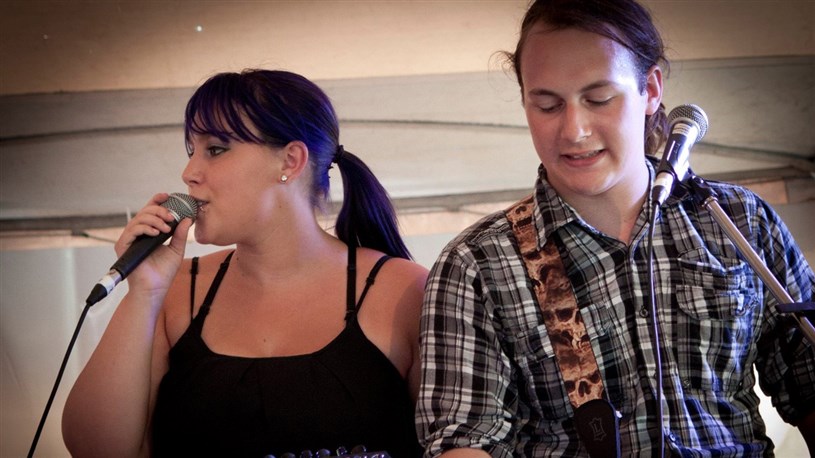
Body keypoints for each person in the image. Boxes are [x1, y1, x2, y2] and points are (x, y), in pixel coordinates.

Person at [416, 0, 815, 456]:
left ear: (651, 89)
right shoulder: (477, 264)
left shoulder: (739, 219)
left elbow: (808, 382)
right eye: (547, 105)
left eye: (599, 99)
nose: (574, 130)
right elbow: (465, 440)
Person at [62, 69, 427, 457]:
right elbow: (95, 449)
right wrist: (144, 293)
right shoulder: (175, 291)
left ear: (290, 160)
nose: (189, 173)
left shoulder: (403, 289)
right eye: (191, 151)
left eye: (216, 149)